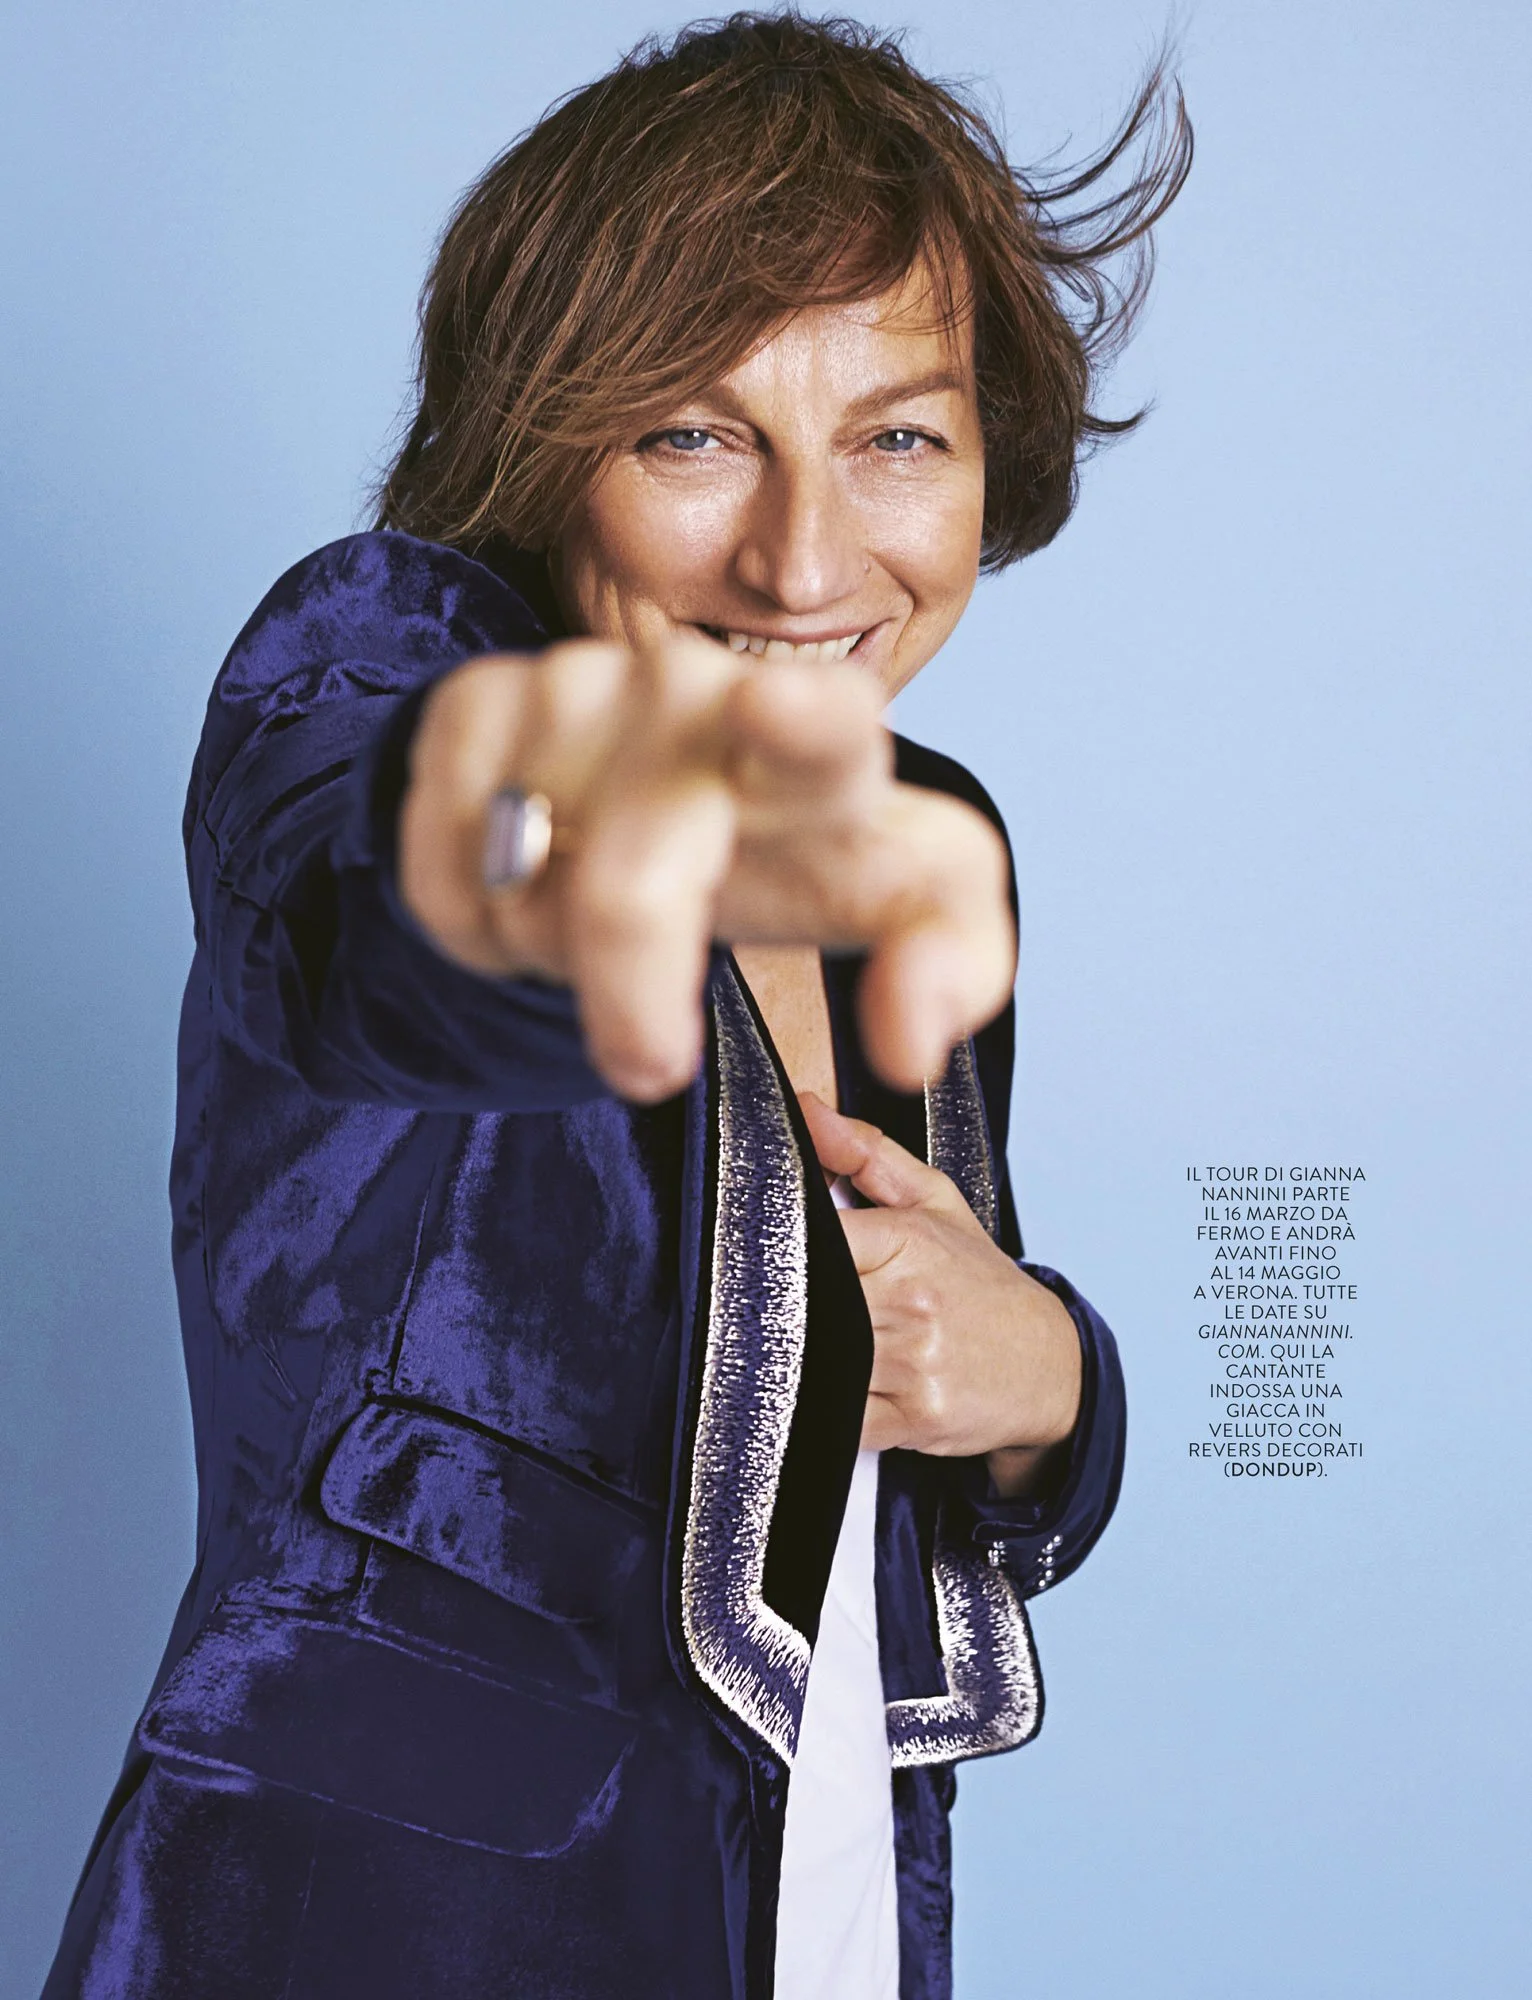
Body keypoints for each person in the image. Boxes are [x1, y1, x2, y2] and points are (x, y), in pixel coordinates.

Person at [42, 13, 1189, 1998]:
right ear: (541, 435)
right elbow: (354, 926)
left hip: (818, 1901)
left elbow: (885, 1422)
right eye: (693, 435)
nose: (804, 558)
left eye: (896, 438)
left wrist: (1055, 1390)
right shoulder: (380, 663)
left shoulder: (925, 833)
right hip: (372, 1925)